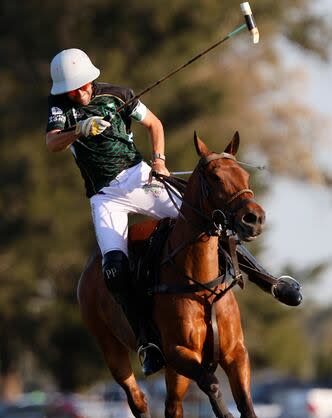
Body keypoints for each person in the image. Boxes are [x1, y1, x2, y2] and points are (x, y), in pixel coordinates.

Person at [46, 49, 301, 376]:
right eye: (72, 90)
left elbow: (154, 124)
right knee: (114, 270)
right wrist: (79, 130)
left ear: (92, 80)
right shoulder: (59, 108)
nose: (80, 93)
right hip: (105, 196)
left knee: (210, 224)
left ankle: (270, 281)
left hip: (141, 179)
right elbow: (53, 142)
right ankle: (147, 343)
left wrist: (160, 161)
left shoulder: (118, 95)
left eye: (83, 86)